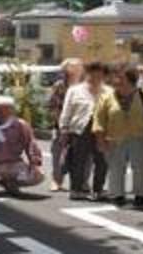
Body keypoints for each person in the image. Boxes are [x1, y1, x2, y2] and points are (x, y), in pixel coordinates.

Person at [93, 64, 143, 208]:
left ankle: (140, 195)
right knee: (116, 168)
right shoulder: (105, 97)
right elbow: (99, 120)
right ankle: (118, 195)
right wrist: (100, 140)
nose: (115, 79)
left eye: (119, 77)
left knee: (141, 168)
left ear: (130, 79)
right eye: (115, 76)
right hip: (114, 138)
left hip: (140, 137)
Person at [59, 61, 110, 201]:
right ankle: (76, 189)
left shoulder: (109, 91)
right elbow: (66, 111)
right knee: (78, 161)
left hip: (102, 130)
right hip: (79, 129)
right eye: (93, 73)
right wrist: (64, 129)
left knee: (102, 161)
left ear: (104, 76)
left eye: (100, 74)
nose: (96, 77)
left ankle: (98, 190)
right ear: (87, 73)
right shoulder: (74, 90)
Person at [48, 58, 83, 192]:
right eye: (72, 67)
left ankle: (82, 182)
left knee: (83, 156)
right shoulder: (60, 85)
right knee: (57, 153)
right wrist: (62, 125)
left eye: (78, 67)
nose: (76, 69)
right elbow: (53, 106)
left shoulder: (86, 85)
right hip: (61, 125)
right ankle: (56, 180)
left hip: (81, 125)